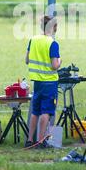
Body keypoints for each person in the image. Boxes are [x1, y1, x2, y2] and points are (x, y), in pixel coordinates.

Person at [24, 16, 62, 149]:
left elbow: (27, 60)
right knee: (46, 112)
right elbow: (54, 65)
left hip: (37, 83)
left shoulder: (33, 40)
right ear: (53, 27)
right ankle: (40, 141)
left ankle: (29, 140)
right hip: (50, 83)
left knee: (35, 112)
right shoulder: (53, 43)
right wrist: (60, 61)